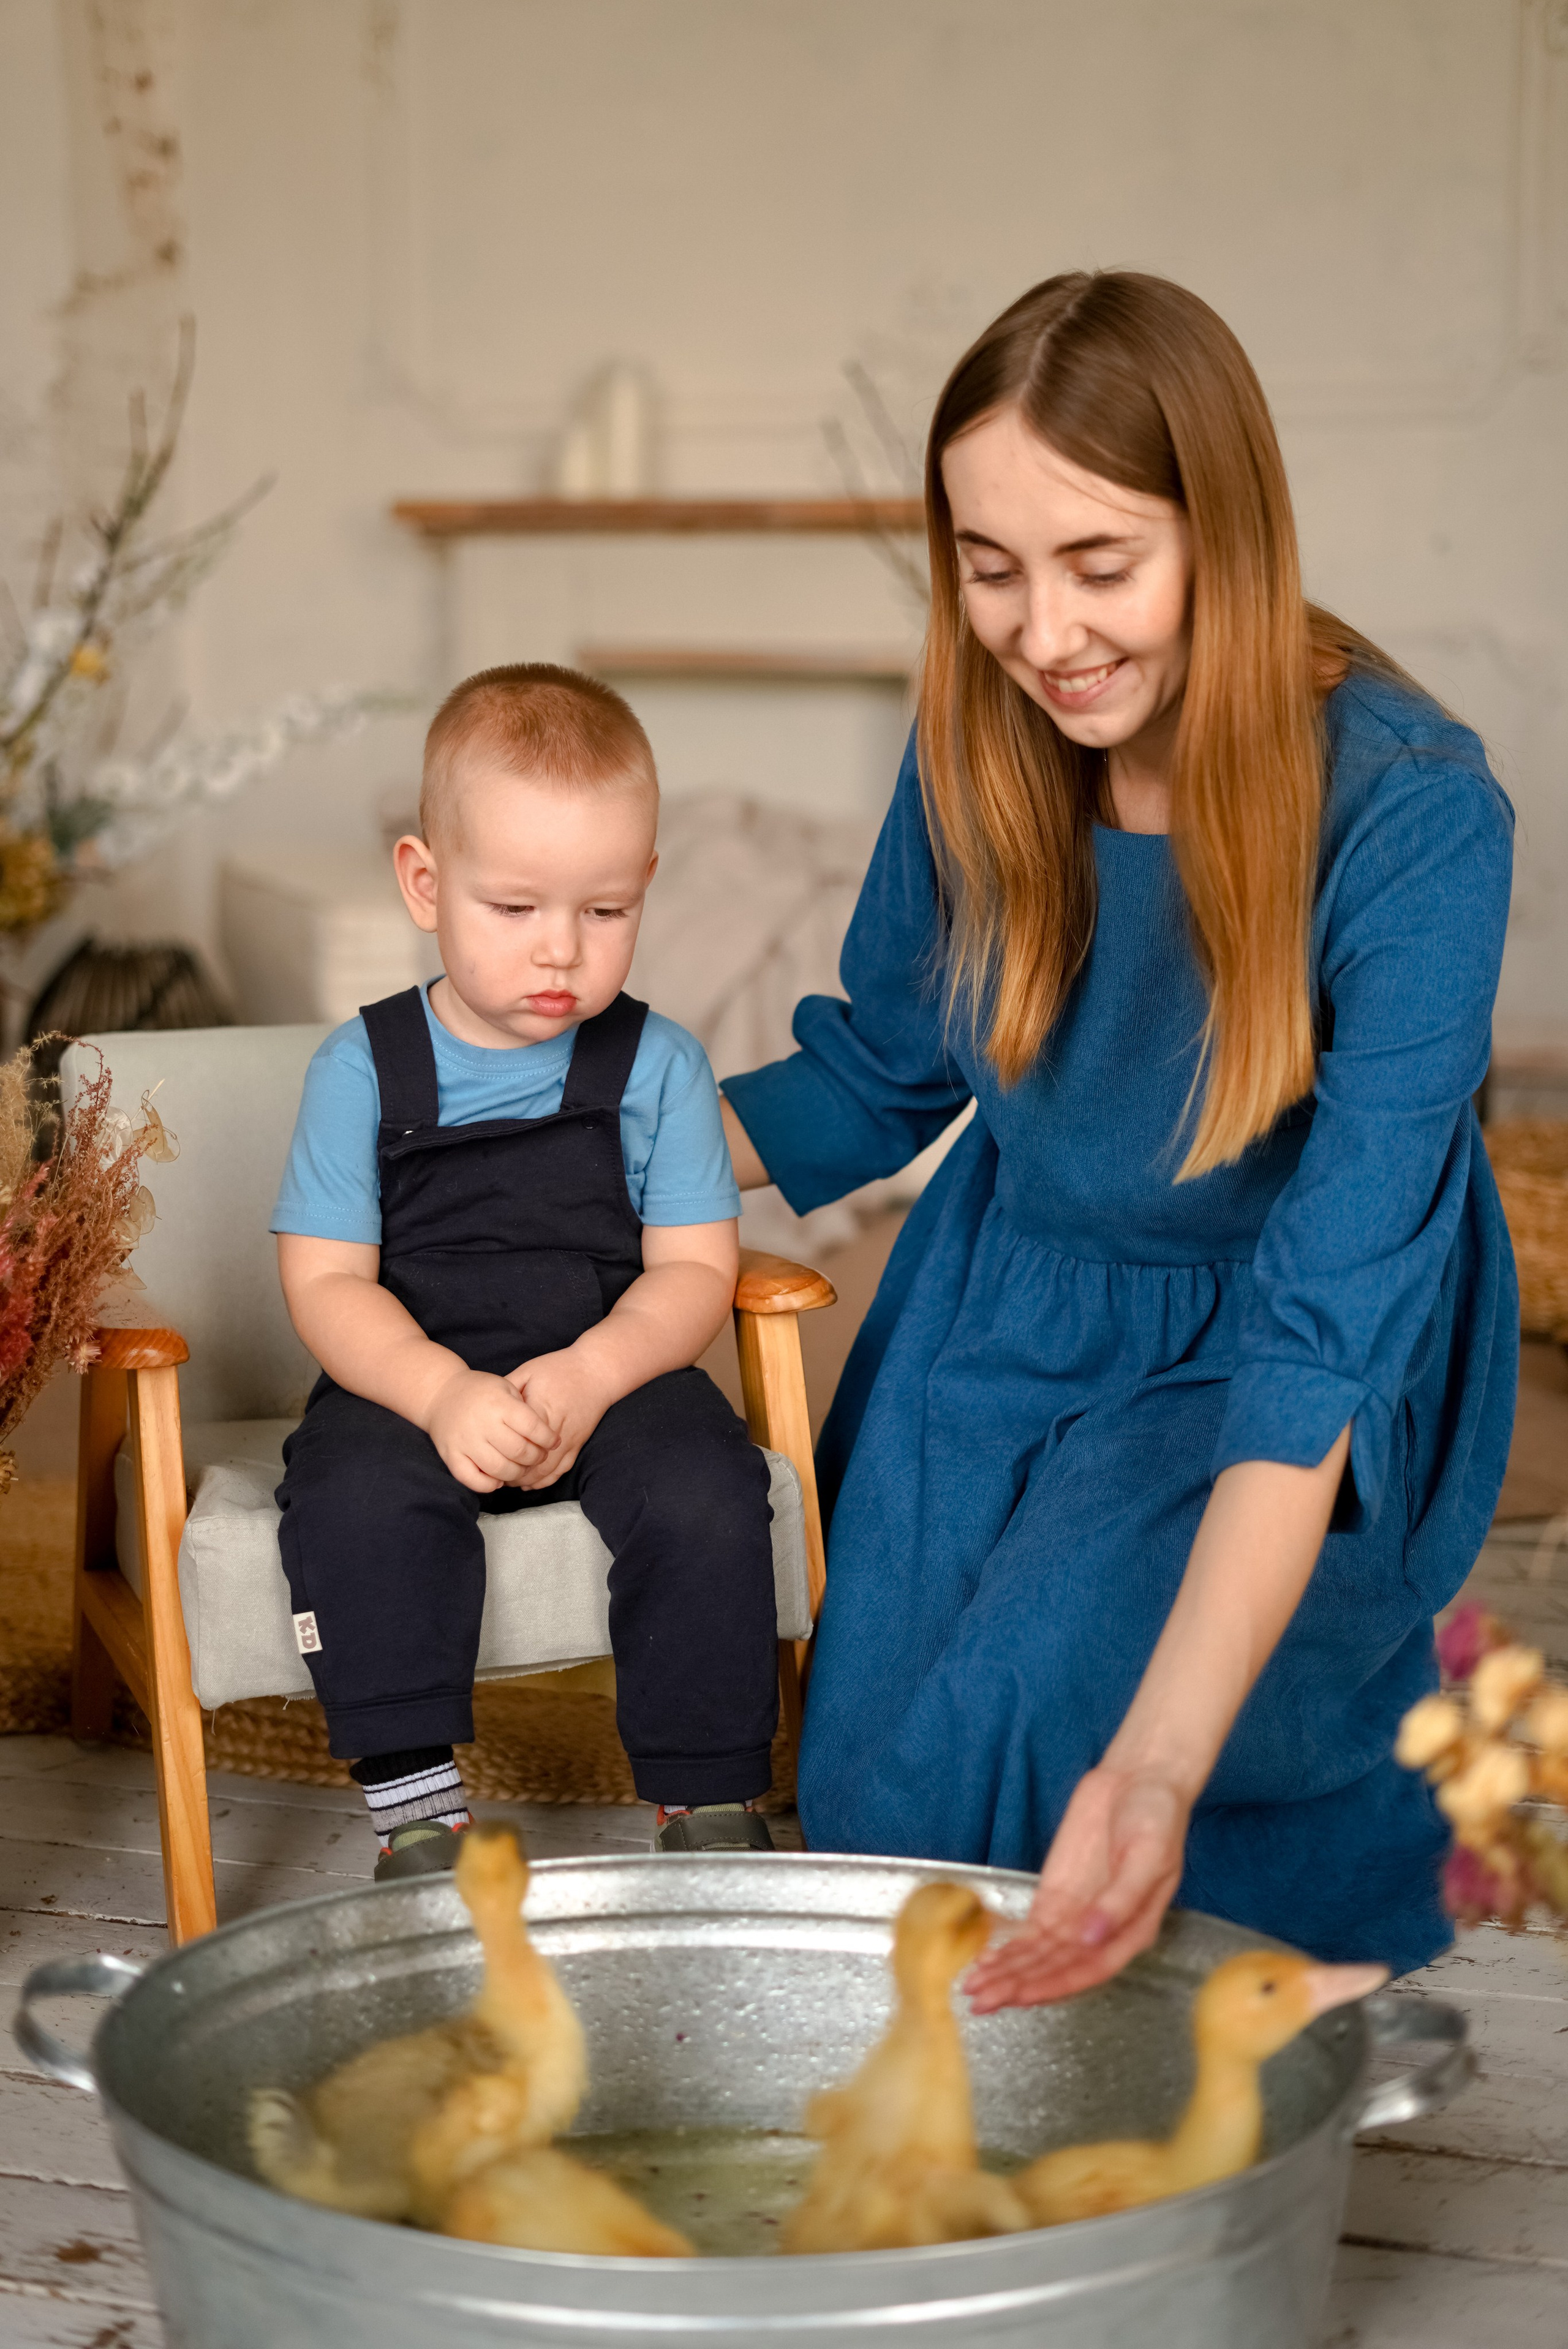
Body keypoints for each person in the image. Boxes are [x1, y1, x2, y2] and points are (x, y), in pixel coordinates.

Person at [720, 273, 1516, 2000]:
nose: (1040, 633)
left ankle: (1291, 1922)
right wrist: (585, 1151)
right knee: (877, 1804)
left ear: (1224, 531)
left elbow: (1327, 1336)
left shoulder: (1415, 815)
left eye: (1100, 565)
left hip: (1278, 1347)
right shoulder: (985, 744)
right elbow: (887, 1069)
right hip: (1006, 1304)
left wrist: (1149, 1770)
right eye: (988, 568)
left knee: (1042, 1726)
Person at [271, 664, 779, 1878]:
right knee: (350, 1500)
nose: (562, 951)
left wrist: (597, 1373)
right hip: (413, 1367)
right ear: (424, 884)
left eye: (604, 912)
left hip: (607, 1360)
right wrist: (442, 1394)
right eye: (515, 910)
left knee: (708, 1486)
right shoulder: (363, 1068)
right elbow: (329, 1285)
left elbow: (696, 1271)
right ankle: (417, 1807)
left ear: (644, 887)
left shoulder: (657, 1064)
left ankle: (705, 1793)